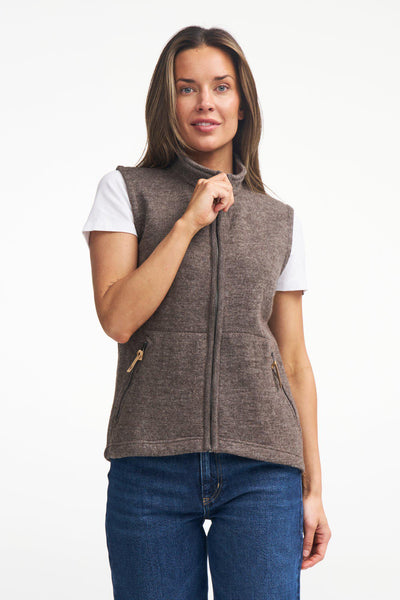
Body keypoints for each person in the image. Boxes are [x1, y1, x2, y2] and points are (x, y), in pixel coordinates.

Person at [82, 25, 331, 600]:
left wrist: (313, 488)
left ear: (243, 104)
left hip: (263, 468)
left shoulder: (278, 219)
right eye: (186, 88)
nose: (205, 103)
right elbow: (118, 317)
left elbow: (294, 359)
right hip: (150, 464)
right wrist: (188, 222)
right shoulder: (125, 192)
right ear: (166, 102)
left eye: (221, 87)